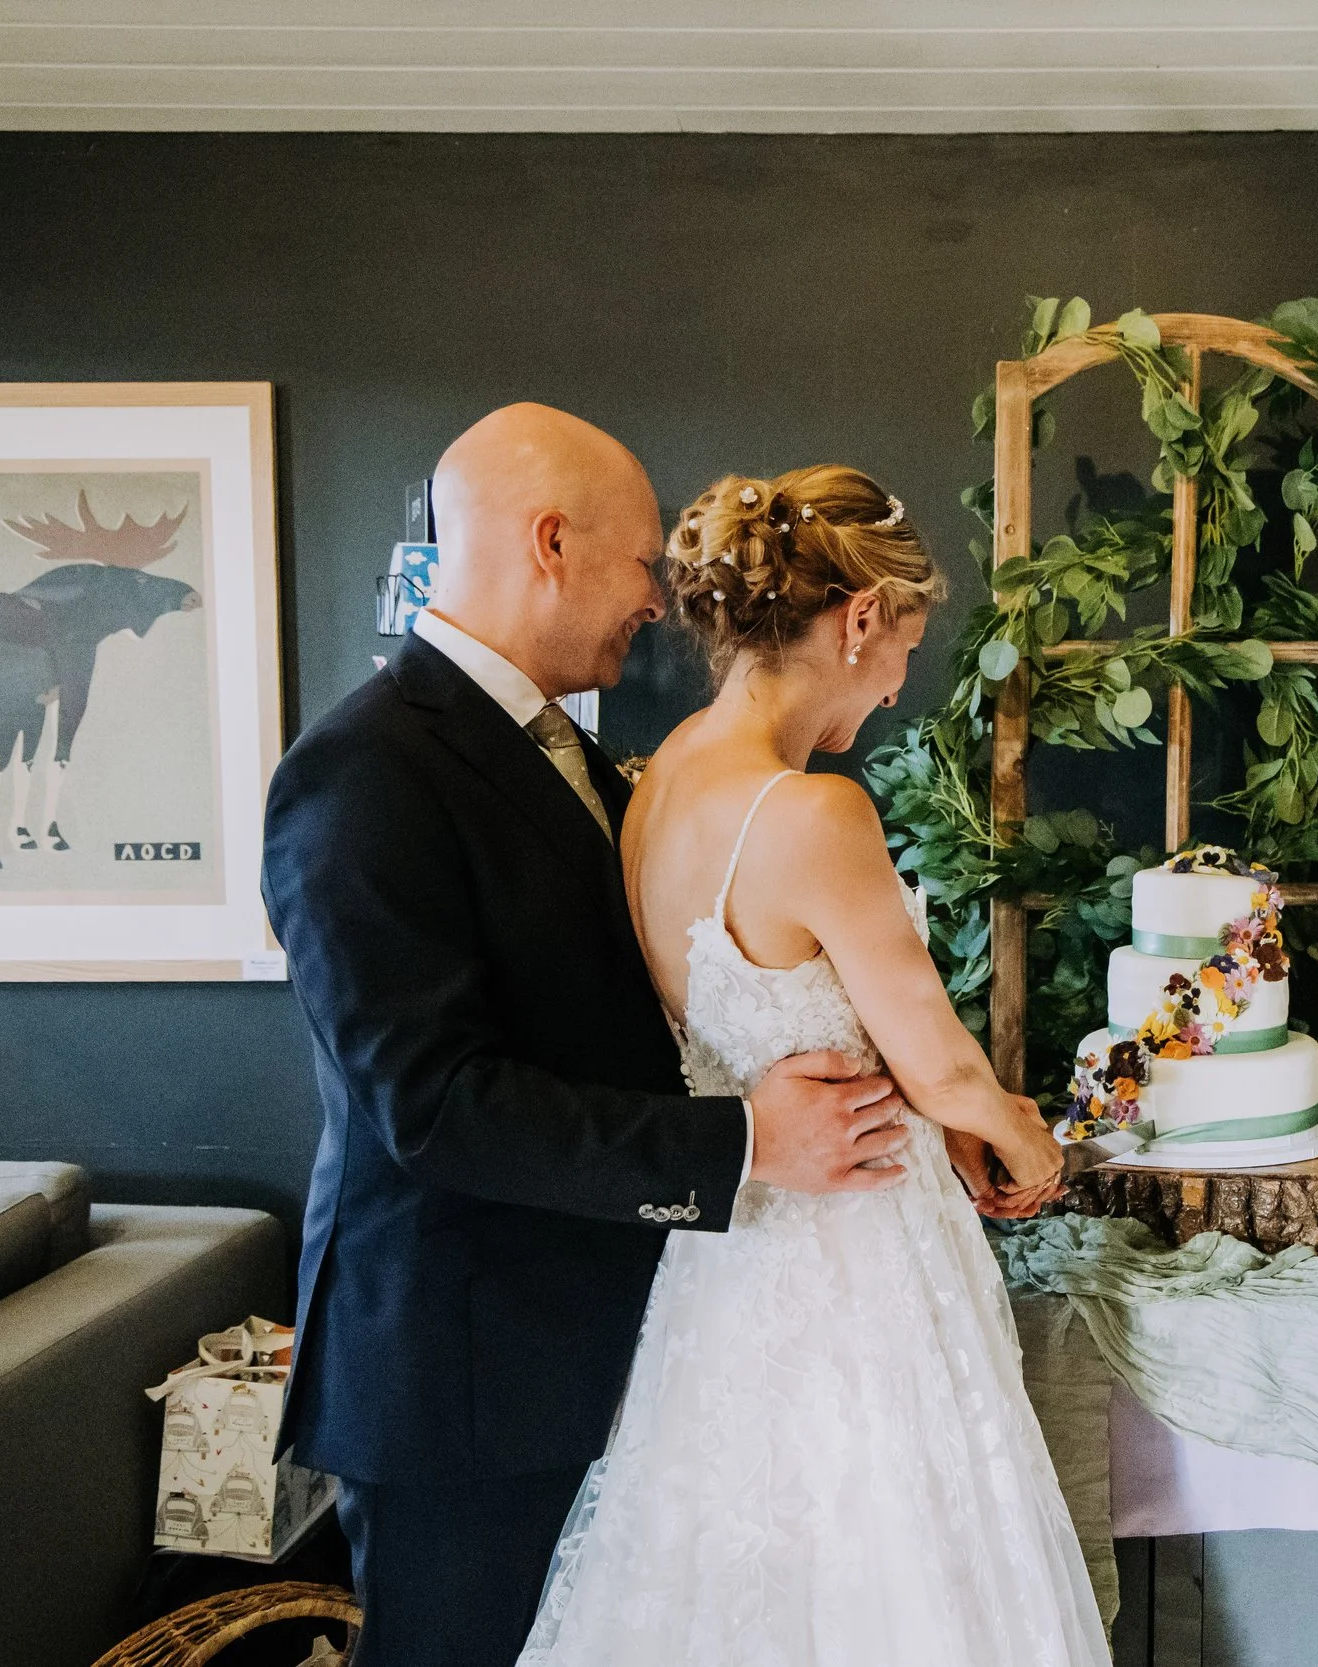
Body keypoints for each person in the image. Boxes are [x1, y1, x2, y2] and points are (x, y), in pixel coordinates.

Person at [263, 405, 921, 1667]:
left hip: (615, 1342)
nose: (662, 603)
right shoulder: (362, 771)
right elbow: (435, 1102)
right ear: (550, 542)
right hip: (464, 1382)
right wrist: (741, 1140)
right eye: (639, 567)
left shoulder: (596, 759)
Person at [518, 465, 1105, 1666]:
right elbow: (939, 1065)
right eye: (902, 651)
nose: (895, 688)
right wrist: (1038, 1147)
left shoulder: (660, 777)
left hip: (726, 1263)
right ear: (856, 622)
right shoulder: (811, 811)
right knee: (889, 1580)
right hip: (857, 1263)